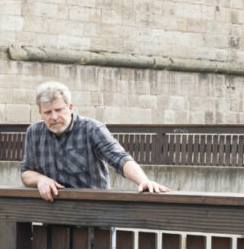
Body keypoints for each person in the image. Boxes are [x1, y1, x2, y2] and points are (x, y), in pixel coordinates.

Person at [21, 82, 168, 200]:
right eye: (47, 112)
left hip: (94, 216)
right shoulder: (34, 132)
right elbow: (26, 172)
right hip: (54, 219)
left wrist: (144, 181)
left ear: (70, 107)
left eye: (59, 110)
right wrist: (41, 180)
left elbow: (119, 158)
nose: (54, 117)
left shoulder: (91, 129)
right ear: (40, 113)